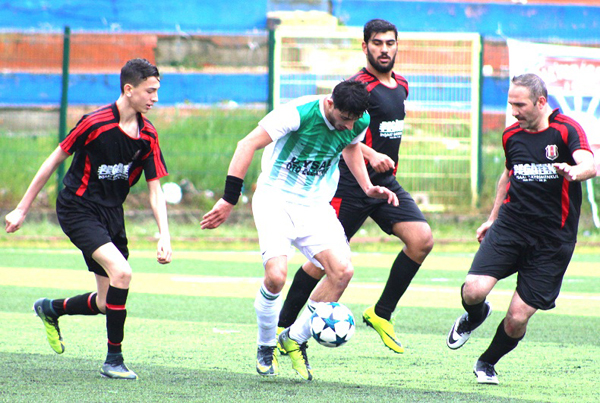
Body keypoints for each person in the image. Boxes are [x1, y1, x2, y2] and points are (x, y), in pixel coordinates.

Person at [200, 80, 399, 381]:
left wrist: (367, 186)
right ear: (330, 103)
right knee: (276, 277)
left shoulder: (358, 119)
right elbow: (246, 144)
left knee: (342, 272)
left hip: (315, 205)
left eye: (354, 120)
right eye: (344, 118)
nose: (349, 126)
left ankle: (294, 337)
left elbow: (351, 146)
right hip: (275, 200)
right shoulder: (297, 113)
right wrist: (229, 199)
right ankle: (266, 345)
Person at [5, 58, 172, 380]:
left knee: (108, 303)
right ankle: (114, 361)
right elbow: (54, 160)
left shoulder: (148, 135)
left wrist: (164, 234)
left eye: (156, 91)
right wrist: (22, 208)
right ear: (129, 89)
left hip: (112, 214)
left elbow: (155, 189)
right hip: (77, 207)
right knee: (122, 272)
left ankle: (51, 308)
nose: (155, 98)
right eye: (150, 91)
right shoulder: (94, 123)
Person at [276, 18, 434, 355]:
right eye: (377, 43)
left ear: (397, 45)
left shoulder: (401, 85)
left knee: (421, 240)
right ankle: (281, 328)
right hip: (349, 186)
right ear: (365, 47)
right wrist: (371, 153)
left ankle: (381, 313)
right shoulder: (357, 87)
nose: (384, 50)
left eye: (390, 43)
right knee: (322, 263)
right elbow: (340, 132)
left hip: (383, 184)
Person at [446, 73, 596, 385]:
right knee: (473, 291)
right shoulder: (511, 135)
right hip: (511, 227)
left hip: (552, 240)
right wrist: (492, 218)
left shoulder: (566, 129)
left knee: (516, 318)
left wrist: (574, 171)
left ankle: (487, 362)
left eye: (520, 105)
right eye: (510, 104)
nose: (514, 111)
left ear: (541, 102)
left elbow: (590, 164)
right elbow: (507, 176)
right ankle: (475, 316)